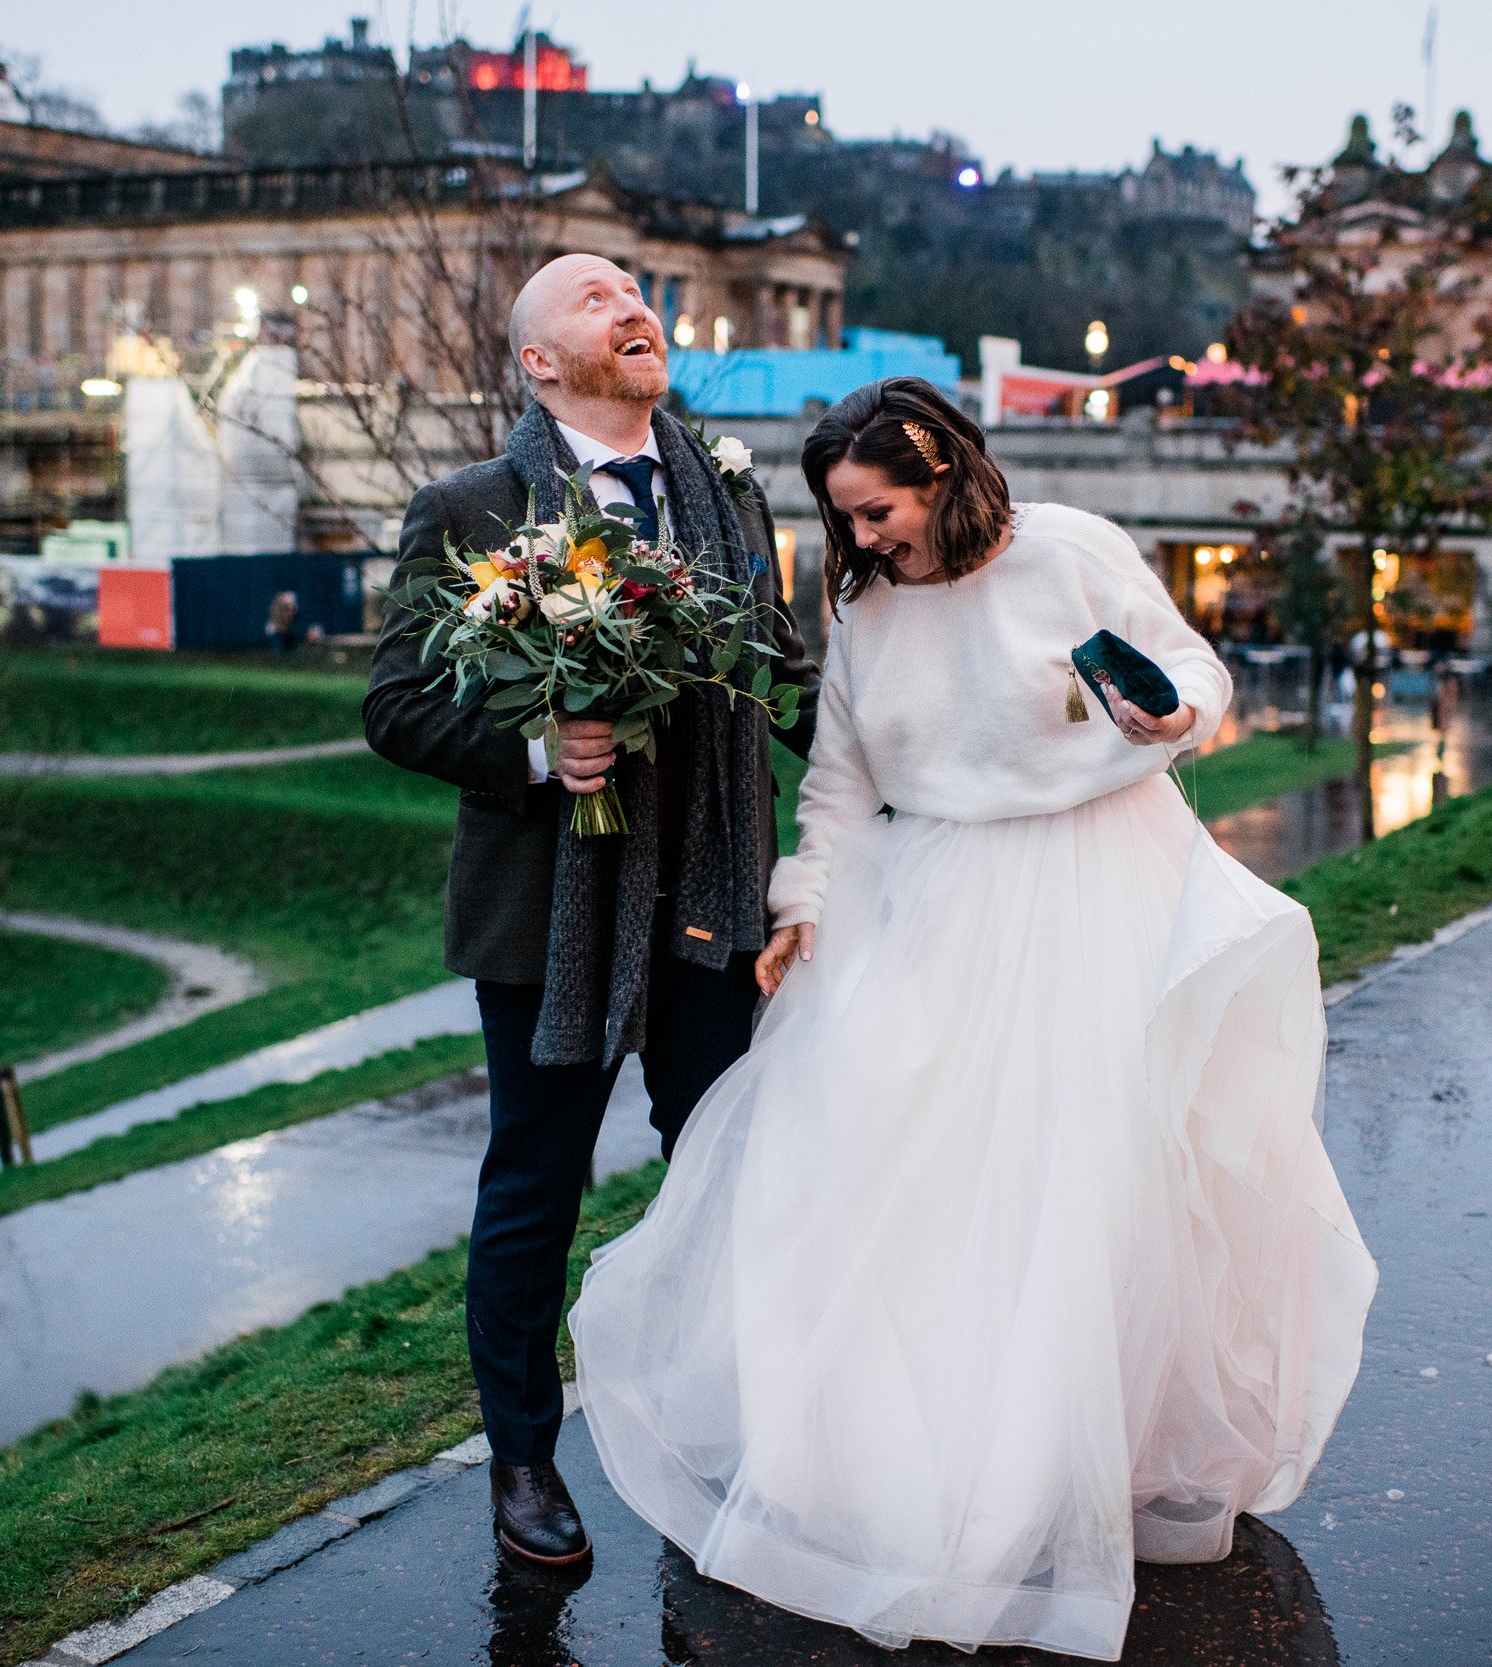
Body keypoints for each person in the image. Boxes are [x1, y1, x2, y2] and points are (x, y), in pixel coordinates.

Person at [570, 378, 1376, 1659]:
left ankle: (1063, 1466)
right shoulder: (864, 604)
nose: (865, 540)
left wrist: (1172, 715)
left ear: (941, 468)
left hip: (1099, 882)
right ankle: (935, 1471)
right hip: (929, 900)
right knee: (895, 1180)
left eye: (877, 511)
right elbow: (836, 780)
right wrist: (805, 902)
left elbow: (1199, 676)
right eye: (845, 521)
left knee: (1088, 1186)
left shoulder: (1075, 550)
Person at [363, 254, 817, 1567]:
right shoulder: (468, 505)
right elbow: (396, 707)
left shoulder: (725, 488)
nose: (633, 307)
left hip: (713, 901)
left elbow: (782, 674)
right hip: (544, 920)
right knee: (535, 1190)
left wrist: (912, 766)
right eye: (594, 298)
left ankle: (725, 1427)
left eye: (637, 292)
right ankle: (521, 1461)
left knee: (726, 1176)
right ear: (539, 361)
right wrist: (531, 752)